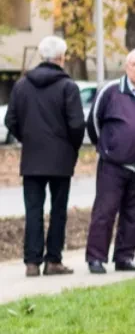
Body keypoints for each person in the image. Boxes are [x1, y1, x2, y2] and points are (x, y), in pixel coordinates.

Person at [5, 36, 85, 277]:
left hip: (32, 159)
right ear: (61, 58)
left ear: (41, 56)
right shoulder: (68, 87)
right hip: (61, 160)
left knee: (33, 210)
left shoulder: (21, 86)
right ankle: (53, 261)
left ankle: (31, 262)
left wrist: (28, 138)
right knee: (58, 210)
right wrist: (71, 148)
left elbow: (10, 121)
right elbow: (77, 124)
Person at [84, 49, 135, 274]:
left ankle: (124, 257)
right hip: (114, 165)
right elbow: (94, 123)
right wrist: (108, 148)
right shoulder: (110, 91)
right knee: (105, 211)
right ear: (126, 67)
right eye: (133, 64)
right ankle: (96, 258)